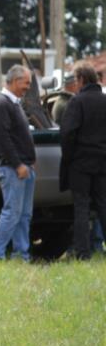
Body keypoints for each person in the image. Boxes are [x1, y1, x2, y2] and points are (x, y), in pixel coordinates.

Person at [0, 65, 36, 261]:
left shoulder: (13, 103)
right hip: (13, 168)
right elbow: (3, 139)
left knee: (24, 215)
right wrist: (18, 164)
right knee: (12, 213)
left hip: (24, 166)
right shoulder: (1, 104)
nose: (28, 87)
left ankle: (21, 254)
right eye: (26, 82)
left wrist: (29, 162)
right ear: (15, 81)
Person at [59, 62, 106, 260]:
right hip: (103, 162)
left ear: (81, 80)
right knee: (104, 206)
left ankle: (82, 253)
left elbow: (67, 134)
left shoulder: (77, 102)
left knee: (81, 207)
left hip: (80, 163)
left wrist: (69, 157)